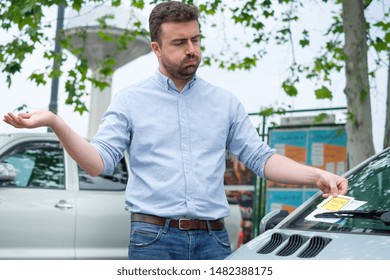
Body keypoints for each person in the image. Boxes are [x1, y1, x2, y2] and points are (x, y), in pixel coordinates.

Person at [3, 1, 348, 260]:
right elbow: (97, 163)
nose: (192, 51)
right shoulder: (130, 101)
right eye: (180, 43)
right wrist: (55, 122)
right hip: (153, 239)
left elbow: (260, 158)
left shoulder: (224, 101)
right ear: (156, 48)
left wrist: (314, 175)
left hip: (214, 241)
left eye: (196, 40)